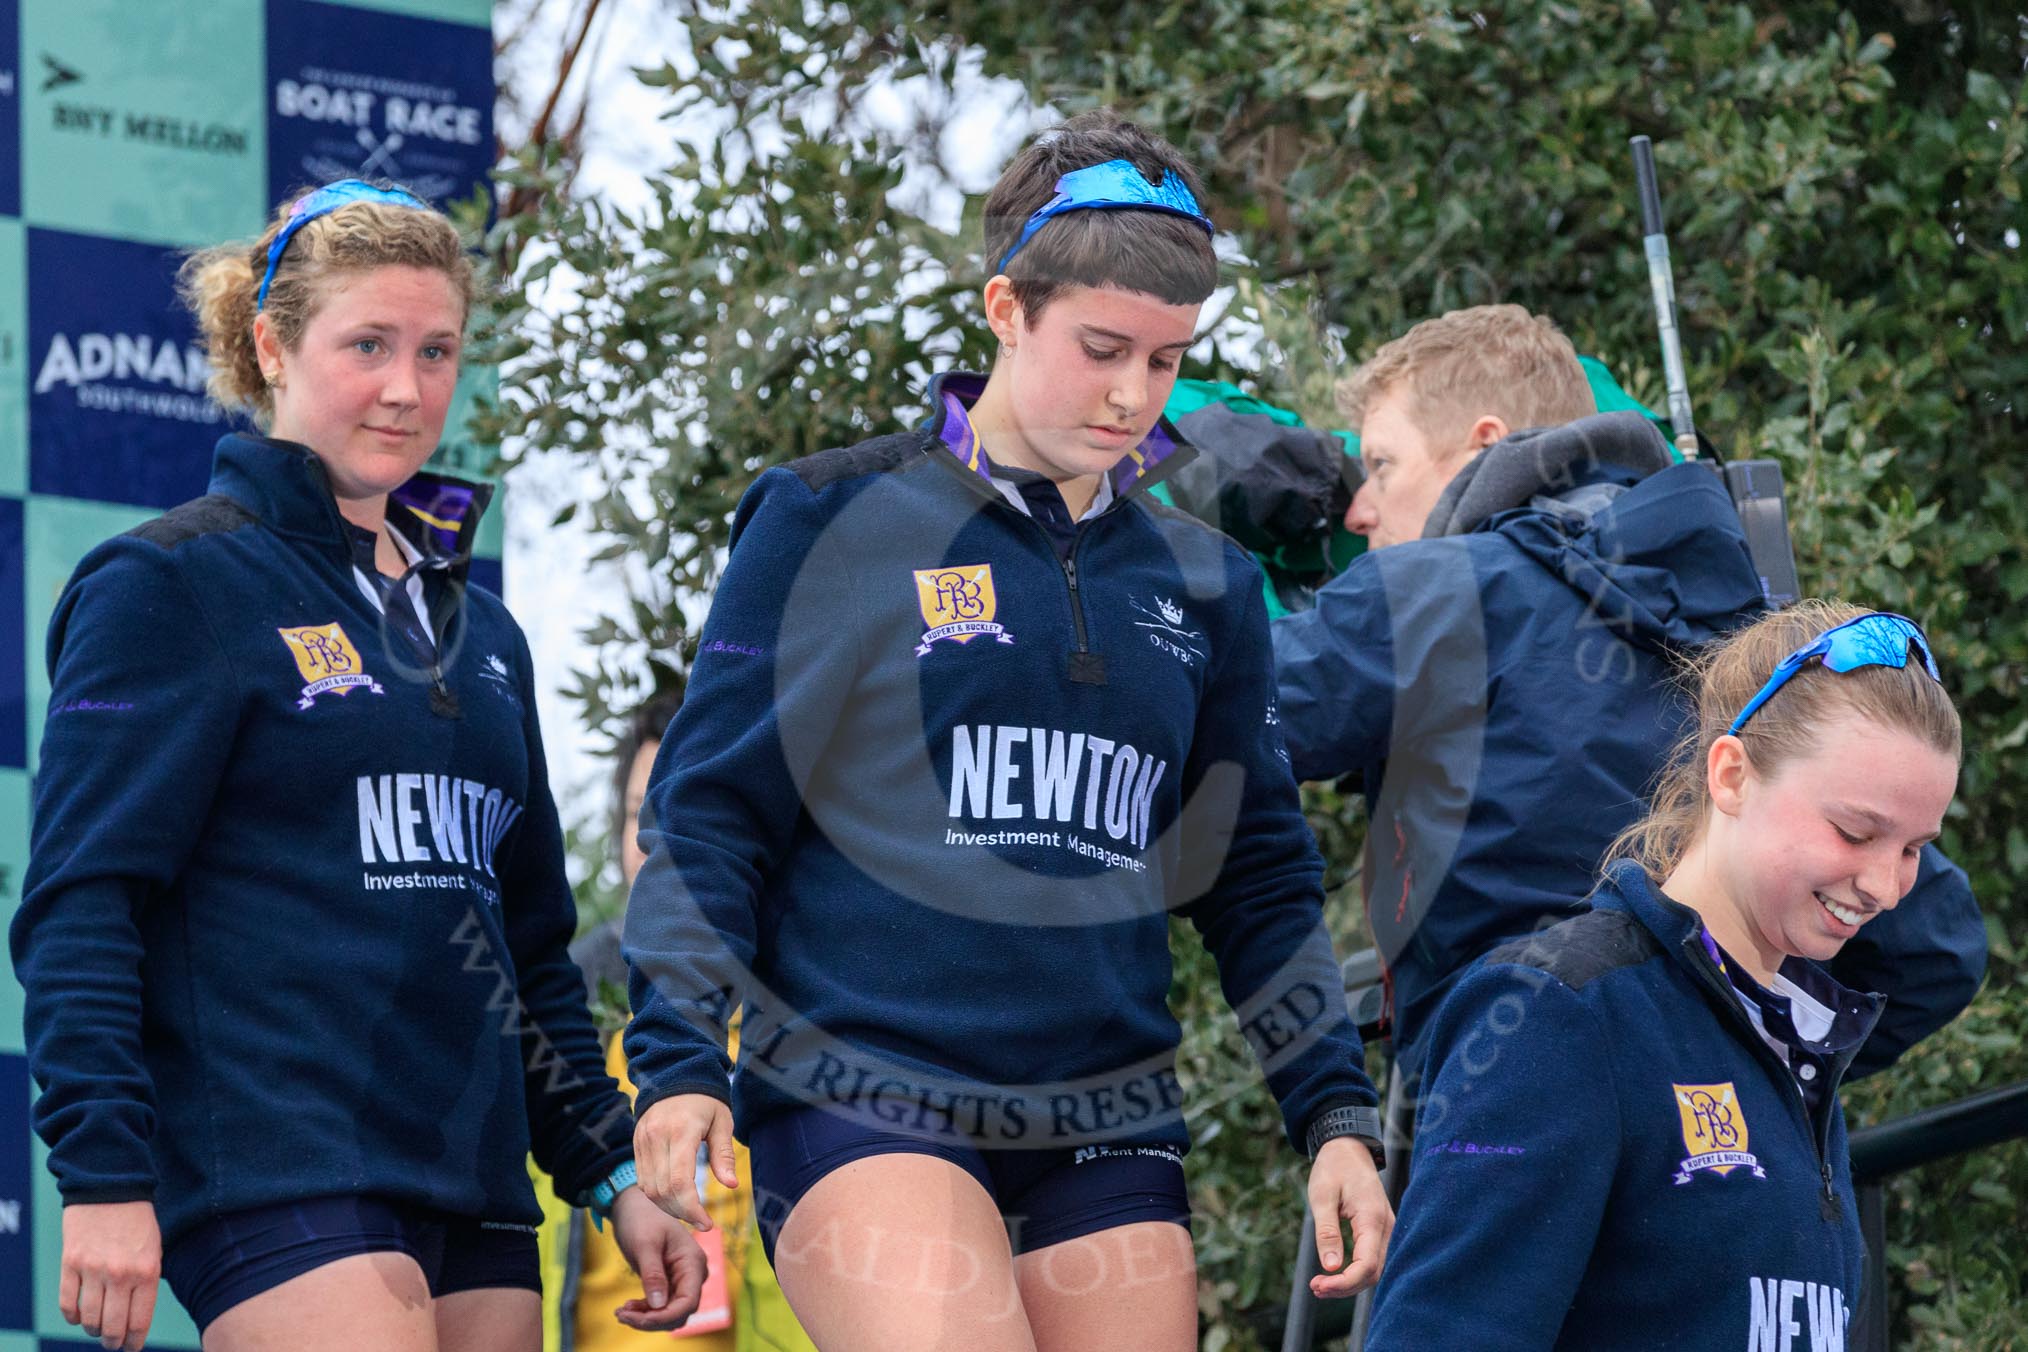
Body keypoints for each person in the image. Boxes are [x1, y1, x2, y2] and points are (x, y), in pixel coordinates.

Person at [621, 110, 1392, 1351]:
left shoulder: (1204, 582)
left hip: (1104, 1111)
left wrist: (1337, 1116)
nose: (1136, 395)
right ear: (1006, 307)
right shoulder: (831, 515)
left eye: (1167, 357)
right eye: (1101, 348)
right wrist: (674, 1059)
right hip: (864, 1088)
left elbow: (1253, 875)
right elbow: (711, 815)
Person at [10, 180, 702, 1352]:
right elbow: (84, 903)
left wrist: (602, 1168)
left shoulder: (485, 633)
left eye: (437, 350)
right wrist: (102, 1173)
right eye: (368, 344)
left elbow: (527, 946)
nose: (407, 387)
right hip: (276, 1158)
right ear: (272, 345)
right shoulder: (171, 583)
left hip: (474, 1177)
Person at [1270, 304, 1985, 1082]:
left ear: (1485, 442)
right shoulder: (1758, 633)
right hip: (1717, 1149)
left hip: (1501, 1120)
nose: (1359, 509)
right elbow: (1936, 953)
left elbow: (1184, 727)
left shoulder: (1431, 595)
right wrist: (1746, 1076)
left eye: (1380, 465)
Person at [1364, 602, 1961, 1348]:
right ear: (1732, 775)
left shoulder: (1795, 1039)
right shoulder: (1561, 1010)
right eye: (1856, 831)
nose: (1885, 884)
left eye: (1914, 848)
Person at [538, 690, 816, 1352]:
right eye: (641, 817)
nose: (660, 846)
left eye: (684, 818)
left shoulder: (812, 1005)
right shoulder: (563, 998)